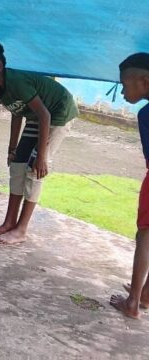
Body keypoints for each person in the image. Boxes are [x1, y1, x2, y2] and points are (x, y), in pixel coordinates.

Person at [0, 38, 79, 245]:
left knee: (34, 170)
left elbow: (45, 115)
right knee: (18, 165)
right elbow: (16, 112)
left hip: (57, 114)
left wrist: (41, 156)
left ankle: (21, 229)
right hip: (36, 115)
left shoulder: (17, 81)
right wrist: (12, 148)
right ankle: (9, 222)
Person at [110, 53, 149, 319]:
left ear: (144, 81)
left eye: (125, 84)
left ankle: (132, 302)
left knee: (145, 236)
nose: (122, 90)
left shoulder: (146, 114)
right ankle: (145, 294)